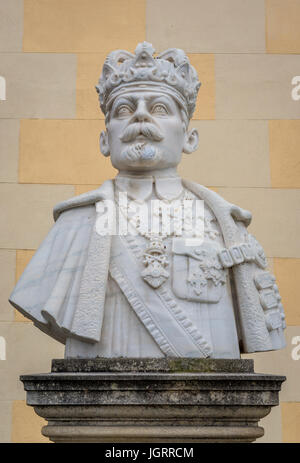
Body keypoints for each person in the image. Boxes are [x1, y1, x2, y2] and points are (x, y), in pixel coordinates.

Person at [9, 42, 286, 358]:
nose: (140, 115)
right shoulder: (75, 224)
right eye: (124, 110)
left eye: (159, 108)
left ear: (189, 139)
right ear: (105, 140)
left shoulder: (228, 226)